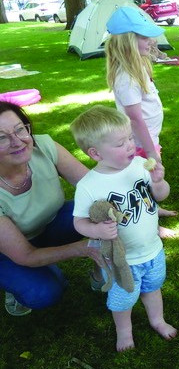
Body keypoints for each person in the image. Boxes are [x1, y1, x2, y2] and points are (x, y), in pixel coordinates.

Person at [71, 106, 176, 352]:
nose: (130, 145)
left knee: (152, 287)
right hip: (121, 261)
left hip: (152, 250)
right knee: (123, 300)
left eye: (130, 138)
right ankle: (124, 333)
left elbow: (160, 196)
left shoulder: (140, 165)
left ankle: (157, 320)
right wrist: (97, 232)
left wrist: (159, 182)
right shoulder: (89, 185)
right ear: (96, 153)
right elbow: (79, 222)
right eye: (120, 143)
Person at [0, 102, 101, 317]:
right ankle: (14, 283)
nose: (17, 142)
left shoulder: (43, 146)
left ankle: (100, 273)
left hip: (49, 224)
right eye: (2, 137)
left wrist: (140, 207)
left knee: (98, 213)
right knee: (45, 292)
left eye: (20, 129)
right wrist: (85, 248)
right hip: (8, 252)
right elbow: (25, 255)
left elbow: (93, 188)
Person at [105, 6, 178, 228]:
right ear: (127, 41)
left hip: (148, 139)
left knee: (149, 180)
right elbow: (135, 119)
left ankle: (154, 209)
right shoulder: (126, 77)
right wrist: (149, 152)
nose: (151, 41)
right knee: (142, 182)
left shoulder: (138, 66)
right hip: (139, 145)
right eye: (144, 37)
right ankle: (151, 223)